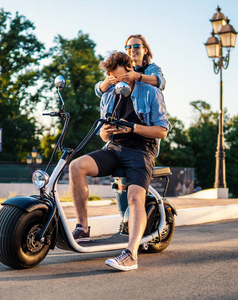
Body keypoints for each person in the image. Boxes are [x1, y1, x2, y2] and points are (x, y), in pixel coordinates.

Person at [69, 52, 170, 271]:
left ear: (130, 69)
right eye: (114, 79)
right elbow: (104, 137)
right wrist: (106, 132)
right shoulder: (108, 95)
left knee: (135, 198)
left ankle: (131, 254)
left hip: (142, 149)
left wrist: (133, 128)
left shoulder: (151, 92)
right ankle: (83, 228)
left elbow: (161, 131)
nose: (119, 83)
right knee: (75, 166)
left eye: (123, 78)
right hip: (114, 148)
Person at [95, 34, 166, 99]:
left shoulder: (152, 68)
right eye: (128, 47)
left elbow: (161, 82)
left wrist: (137, 76)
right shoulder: (120, 69)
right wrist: (106, 82)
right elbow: (99, 91)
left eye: (136, 46)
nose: (132, 49)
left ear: (144, 50)